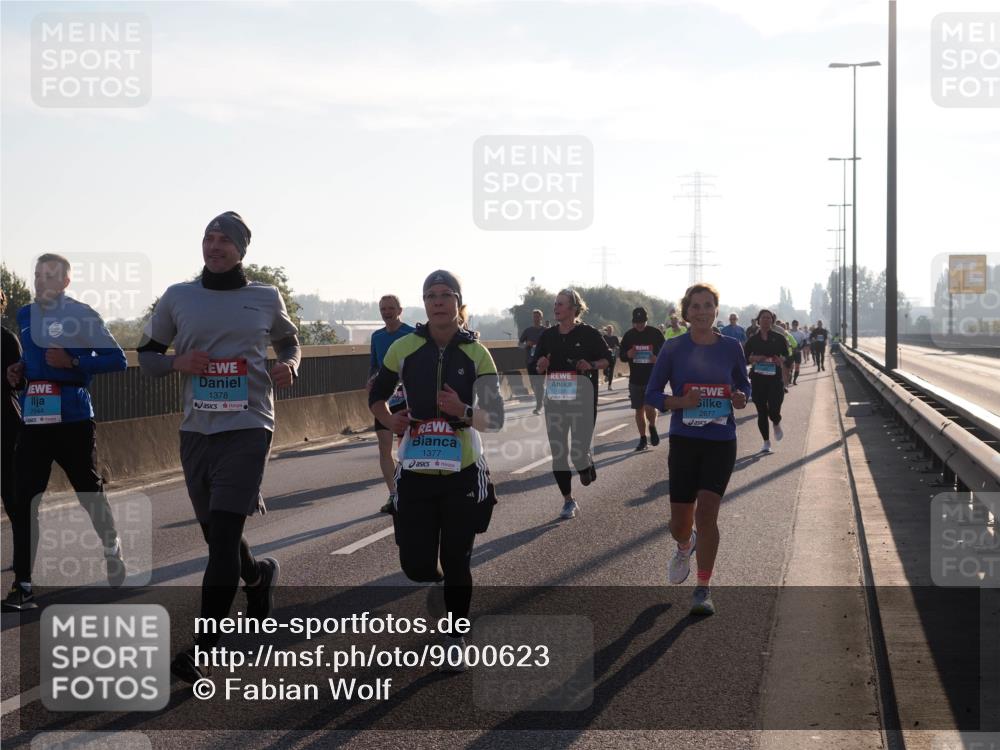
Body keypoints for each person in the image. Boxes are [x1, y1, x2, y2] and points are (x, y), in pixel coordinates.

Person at [138, 211, 300, 682]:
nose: (215, 246)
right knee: (216, 536)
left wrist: (290, 365)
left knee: (224, 537)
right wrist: (178, 363)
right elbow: (146, 357)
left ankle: (204, 648)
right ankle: (258, 577)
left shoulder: (266, 297)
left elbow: (290, 344)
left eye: (224, 240)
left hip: (250, 425)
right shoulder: (178, 296)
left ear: (241, 250)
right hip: (197, 430)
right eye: (209, 238)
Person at [369, 270, 503, 671]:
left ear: (458, 303)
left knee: (458, 558)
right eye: (431, 295)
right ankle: (438, 578)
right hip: (415, 469)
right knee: (417, 566)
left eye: (446, 295)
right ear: (424, 303)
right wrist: (389, 419)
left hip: (463, 470)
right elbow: (377, 395)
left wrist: (463, 410)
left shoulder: (477, 353)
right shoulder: (405, 347)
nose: (438, 301)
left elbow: (493, 418)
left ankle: (456, 636)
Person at [3, 254, 128, 611]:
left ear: (65, 282)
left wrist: (73, 361)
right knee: (24, 499)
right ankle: (23, 585)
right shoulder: (25, 315)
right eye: (38, 275)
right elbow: (32, 361)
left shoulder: (81, 314)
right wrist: (19, 372)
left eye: (49, 276)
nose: (41, 282)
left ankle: (111, 546)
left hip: (73, 420)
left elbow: (117, 359)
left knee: (88, 491)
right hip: (34, 421)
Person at [645, 283, 750, 616]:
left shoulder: (731, 347)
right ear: (686, 312)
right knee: (680, 523)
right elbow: (651, 394)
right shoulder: (673, 348)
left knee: (707, 513)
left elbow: (743, 384)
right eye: (696, 306)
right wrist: (681, 402)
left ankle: (703, 588)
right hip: (685, 440)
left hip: (721, 440)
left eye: (708, 305)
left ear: (716, 310)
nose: (702, 312)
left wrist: (741, 397)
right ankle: (684, 544)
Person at [534, 289, 611, 520]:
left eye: (561, 304)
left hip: (582, 402)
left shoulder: (589, 334)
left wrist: (591, 365)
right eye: (555, 303)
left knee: (577, 454)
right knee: (559, 452)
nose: (555, 307)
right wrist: (540, 365)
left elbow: (609, 359)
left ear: (574, 308)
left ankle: (584, 462)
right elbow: (535, 366)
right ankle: (568, 500)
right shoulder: (548, 336)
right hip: (555, 402)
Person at [368, 295, 414, 514]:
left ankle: (410, 490)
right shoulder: (377, 336)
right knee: (384, 447)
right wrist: (371, 380)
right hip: (385, 399)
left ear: (400, 310)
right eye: (383, 309)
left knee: (405, 447)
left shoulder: (411, 334)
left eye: (390, 308)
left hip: (407, 398)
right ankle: (393, 494)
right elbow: (374, 366)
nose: (386, 312)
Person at [618, 307, 665, 451]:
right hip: (635, 379)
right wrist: (628, 354)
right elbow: (621, 356)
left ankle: (652, 426)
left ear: (646, 320)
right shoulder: (628, 335)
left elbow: (666, 354)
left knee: (650, 407)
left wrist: (657, 358)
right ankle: (643, 438)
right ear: (633, 321)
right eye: (637, 322)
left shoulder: (655, 333)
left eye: (642, 322)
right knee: (639, 410)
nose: (639, 325)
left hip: (652, 378)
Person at [744, 309, 789, 453]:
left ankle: (776, 421)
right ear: (758, 320)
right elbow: (745, 358)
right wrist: (754, 358)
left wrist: (780, 359)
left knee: (775, 407)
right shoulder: (753, 340)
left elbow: (786, 356)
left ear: (772, 321)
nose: (766, 320)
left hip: (775, 378)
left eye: (769, 318)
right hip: (758, 379)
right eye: (763, 317)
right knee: (761, 410)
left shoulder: (779, 338)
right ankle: (766, 442)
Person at [1, 289, 22, 571]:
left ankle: (22, 560)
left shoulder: (7, 339)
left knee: (12, 498)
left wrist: (15, 377)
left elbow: (21, 381)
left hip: (5, 425)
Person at [518, 309, 546, 414]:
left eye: (537, 317)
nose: (535, 319)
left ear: (541, 317)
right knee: (534, 384)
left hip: (541, 361)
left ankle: (539, 406)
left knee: (540, 383)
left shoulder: (545, 330)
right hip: (530, 361)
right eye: (534, 317)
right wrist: (526, 345)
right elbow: (519, 344)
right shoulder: (528, 331)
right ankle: (540, 401)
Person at [789, 320, 808, 385]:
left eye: (796, 324)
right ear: (792, 325)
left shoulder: (801, 333)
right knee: (791, 366)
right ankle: (790, 378)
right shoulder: (789, 332)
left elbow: (805, 342)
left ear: (798, 325)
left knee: (797, 367)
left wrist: (800, 348)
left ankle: (794, 380)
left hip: (798, 351)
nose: (795, 326)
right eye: (794, 324)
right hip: (791, 351)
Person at [602, 324, 620, 391]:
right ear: (607, 330)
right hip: (605, 355)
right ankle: (606, 375)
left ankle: (609, 385)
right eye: (608, 330)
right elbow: (601, 344)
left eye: (610, 330)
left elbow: (618, 345)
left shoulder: (615, 338)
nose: (609, 331)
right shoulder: (604, 337)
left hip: (613, 354)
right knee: (605, 369)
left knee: (612, 370)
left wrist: (617, 347)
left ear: (612, 331)